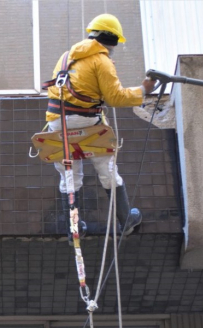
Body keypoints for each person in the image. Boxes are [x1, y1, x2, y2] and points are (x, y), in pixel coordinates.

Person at [44, 13, 156, 243]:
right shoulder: (101, 61)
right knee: (106, 168)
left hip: (57, 122)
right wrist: (143, 90)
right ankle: (125, 220)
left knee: (69, 176)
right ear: (112, 39)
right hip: (85, 121)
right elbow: (115, 97)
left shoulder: (67, 57)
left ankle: (73, 227)